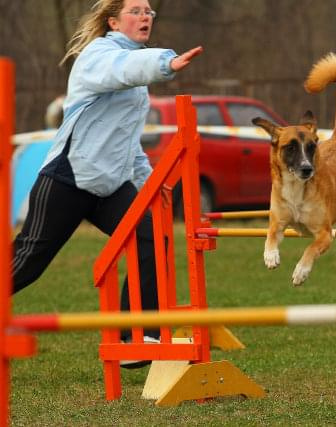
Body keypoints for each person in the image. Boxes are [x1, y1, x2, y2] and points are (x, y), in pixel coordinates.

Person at [11, 0, 202, 367]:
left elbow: (127, 143)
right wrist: (166, 63)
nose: (145, 16)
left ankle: (132, 335)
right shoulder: (99, 55)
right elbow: (123, 69)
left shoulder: (137, 79)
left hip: (110, 186)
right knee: (29, 261)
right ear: (113, 22)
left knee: (153, 236)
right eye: (136, 11)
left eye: (149, 11)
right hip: (68, 177)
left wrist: (150, 184)